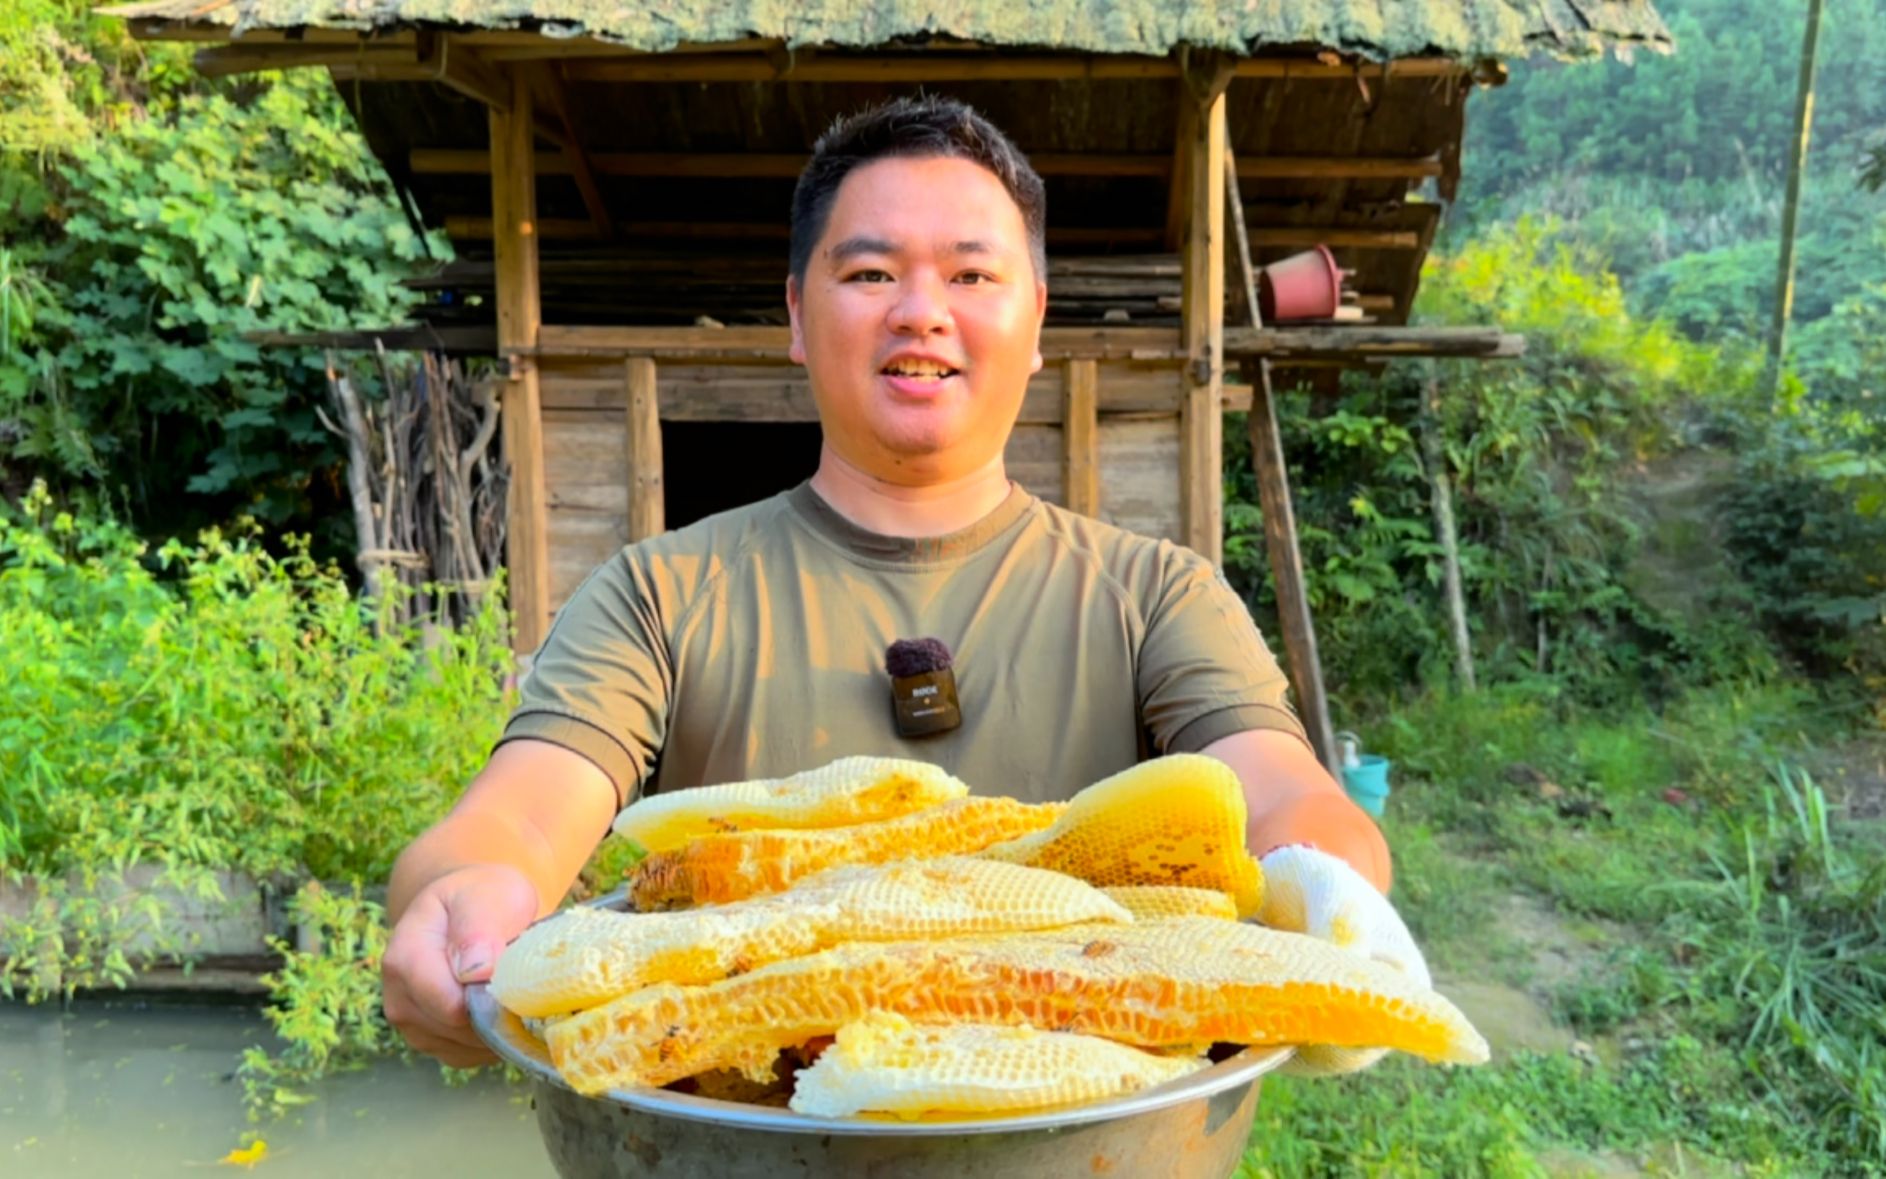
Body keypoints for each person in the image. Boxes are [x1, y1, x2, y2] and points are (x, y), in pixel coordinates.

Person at [381, 95, 1423, 1073]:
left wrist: (1321, 883)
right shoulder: (658, 594)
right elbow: (518, 818)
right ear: (795, 314)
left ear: (1037, 318)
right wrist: (465, 893)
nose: (921, 313)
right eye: (871, 273)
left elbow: (1280, 792)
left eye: (971, 276)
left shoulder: (1155, 596)